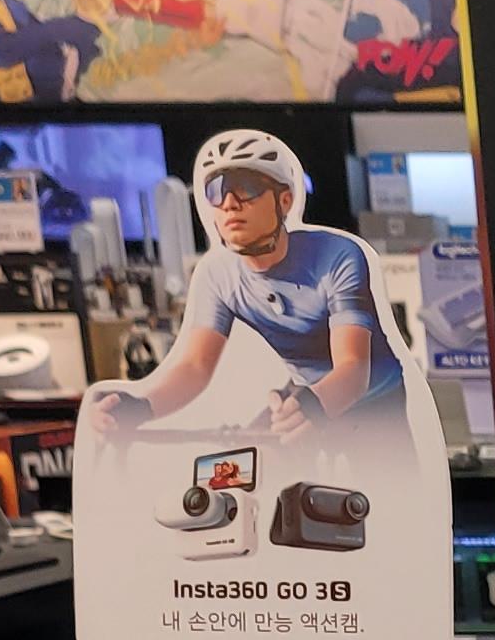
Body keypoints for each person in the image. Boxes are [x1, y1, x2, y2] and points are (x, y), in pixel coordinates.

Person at [89, 128, 402, 445]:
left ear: (285, 200)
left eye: (246, 188)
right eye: (216, 191)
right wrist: (142, 407)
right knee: (250, 462)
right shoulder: (217, 274)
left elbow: (354, 366)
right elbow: (195, 367)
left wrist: (314, 406)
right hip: (303, 397)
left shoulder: (338, 256)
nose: (229, 203)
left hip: (376, 402)